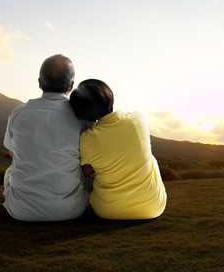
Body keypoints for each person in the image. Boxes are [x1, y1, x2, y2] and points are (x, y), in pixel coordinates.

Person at [2, 54, 89, 221]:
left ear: (40, 83)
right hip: (70, 210)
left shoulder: (18, 112)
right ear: (71, 86)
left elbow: (11, 151)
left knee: (10, 170)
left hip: (20, 211)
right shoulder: (81, 116)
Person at [69, 79, 167, 220]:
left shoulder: (87, 139)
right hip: (153, 208)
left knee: (95, 167)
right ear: (110, 97)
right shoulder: (138, 119)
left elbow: (86, 171)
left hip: (108, 211)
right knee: (151, 159)